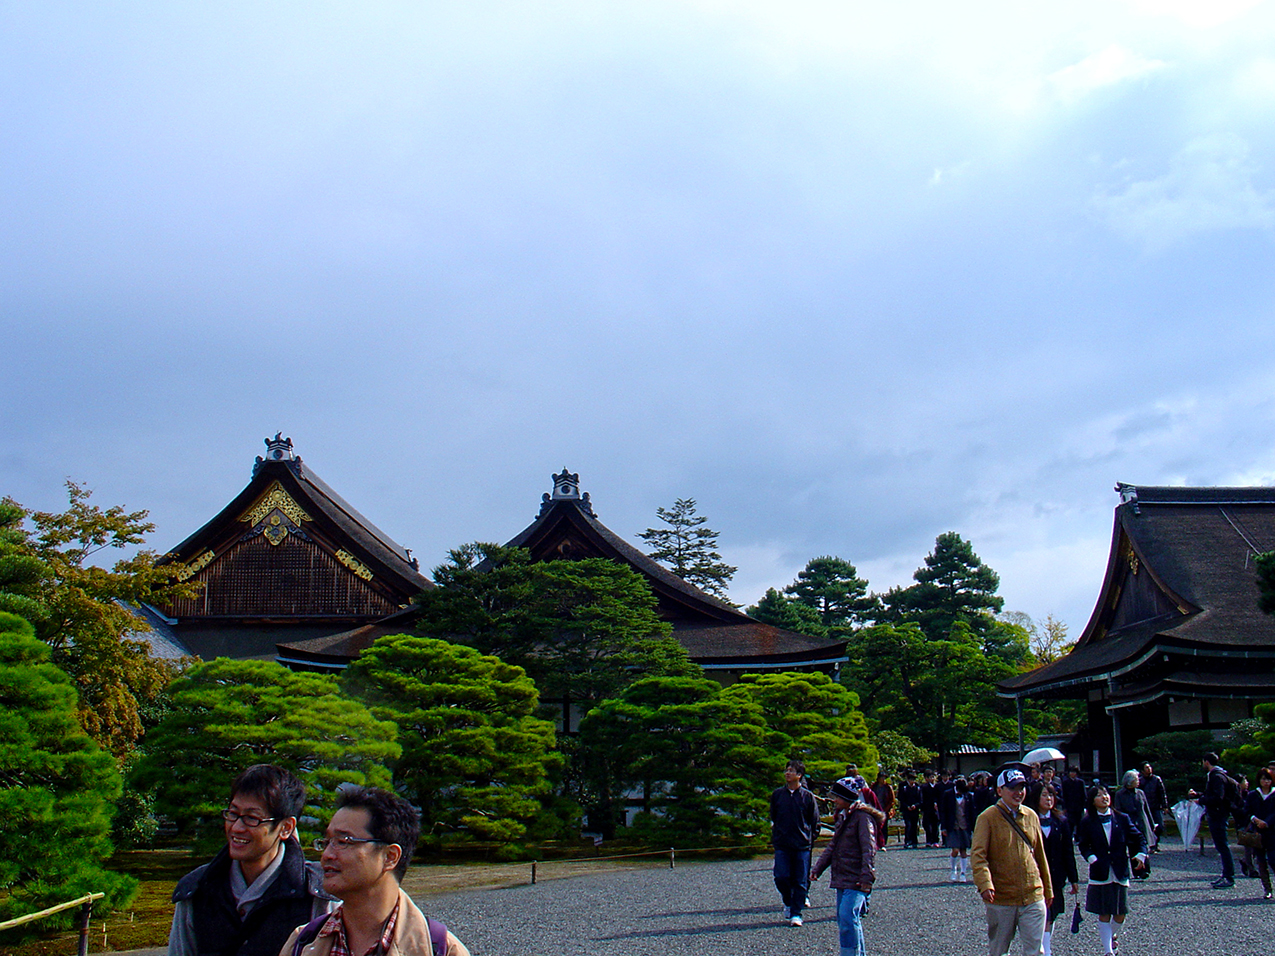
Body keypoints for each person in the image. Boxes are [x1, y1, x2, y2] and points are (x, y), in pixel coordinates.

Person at [170, 764, 336, 956]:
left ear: (286, 828)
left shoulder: (318, 893)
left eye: (252, 818)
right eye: (233, 814)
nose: (237, 828)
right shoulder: (196, 890)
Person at [283, 786, 470, 956]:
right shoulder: (302, 942)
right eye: (327, 842)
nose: (327, 855)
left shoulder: (440, 949)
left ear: (390, 857)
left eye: (343, 841)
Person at [970, 768, 1052, 956]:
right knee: (999, 950)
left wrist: (1047, 888)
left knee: (1035, 951)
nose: (1018, 792)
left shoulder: (1031, 815)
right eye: (1012, 788)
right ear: (999, 791)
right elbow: (978, 855)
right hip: (1002, 896)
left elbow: (1040, 855)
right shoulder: (987, 818)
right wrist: (985, 884)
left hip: (1033, 893)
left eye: (1022, 787)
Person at [810, 777, 885, 956]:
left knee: (847, 917)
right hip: (843, 876)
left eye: (837, 796)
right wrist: (817, 869)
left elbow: (869, 849)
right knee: (847, 919)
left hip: (857, 878)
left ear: (847, 798)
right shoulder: (845, 816)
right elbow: (833, 846)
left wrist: (867, 877)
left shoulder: (862, 818)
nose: (834, 800)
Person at [1076, 784, 1147, 956]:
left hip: (1119, 869)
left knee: (1121, 912)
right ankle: (1108, 951)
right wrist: (1092, 858)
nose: (1104, 797)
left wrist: (1141, 854)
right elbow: (1083, 844)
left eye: (1106, 794)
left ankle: (1112, 934)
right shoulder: (1087, 821)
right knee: (1104, 912)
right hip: (1100, 871)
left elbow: (1138, 837)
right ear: (1092, 801)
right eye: (1099, 795)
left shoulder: (1121, 818)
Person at [1028, 785, 1077, 956]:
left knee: (1052, 912)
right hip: (1035, 875)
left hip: (1056, 874)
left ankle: (1045, 947)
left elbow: (1068, 851)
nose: (1048, 799)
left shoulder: (1061, 820)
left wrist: (1074, 878)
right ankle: (1045, 950)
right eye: (1044, 795)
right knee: (1040, 913)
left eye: (1051, 795)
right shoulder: (1029, 819)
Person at [770, 759, 820, 926]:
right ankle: (788, 901)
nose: (787, 773)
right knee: (781, 877)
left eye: (791, 770)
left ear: (799, 775)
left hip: (802, 844)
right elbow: (774, 816)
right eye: (786, 770)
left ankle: (796, 913)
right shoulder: (777, 795)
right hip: (782, 843)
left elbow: (814, 821)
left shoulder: (807, 797)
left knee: (800, 880)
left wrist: (810, 839)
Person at [1189, 752, 1237, 888]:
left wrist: (1201, 800)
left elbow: (1217, 797)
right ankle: (1226, 874)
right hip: (1218, 813)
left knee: (1222, 846)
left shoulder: (1216, 776)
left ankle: (1229, 876)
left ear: (1206, 762)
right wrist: (1198, 795)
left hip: (1218, 814)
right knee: (1221, 846)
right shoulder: (1218, 775)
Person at [1112, 770, 1155, 879]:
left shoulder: (1140, 793)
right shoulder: (1120, 794)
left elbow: (1146, 809)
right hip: (1129, 823)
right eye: (1136, 779)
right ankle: (1137, 871)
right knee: (1132, 848)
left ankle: (1145, 869)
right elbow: (1118, 810)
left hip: (1141, 822)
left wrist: (1151, 823)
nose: (1138, 781)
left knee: (1143, 845)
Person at [1243, 768, 1275, 900]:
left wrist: (1267, 822)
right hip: (1257, 831)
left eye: (1268, 779)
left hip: (1272, 831)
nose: (1265, 782)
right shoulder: (1252, 795)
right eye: (1263, 779)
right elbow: (1246, 811)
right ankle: (1267, 889)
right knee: (1261, 861)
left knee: (1273, 859)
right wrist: (1255, 820)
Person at [940, 775, 975, 882]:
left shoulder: (969, 796)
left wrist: (974, 828)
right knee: (955, 849)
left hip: (965, 825)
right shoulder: (948, 794)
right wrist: (943, 827)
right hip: (953, 825)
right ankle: (953, 870)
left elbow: (972, 812)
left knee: (964, 850)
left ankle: (963, 873)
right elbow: (943, 811)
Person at [1138, 762, 1167, 852]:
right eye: (1146, 768)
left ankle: (1155, 842)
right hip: (1146, 808)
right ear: (1142, 771)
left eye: (1149, 767)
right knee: (1147, 827)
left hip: (1156, 807)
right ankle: (1149, 845)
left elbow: (1162, 793)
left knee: (1160, 826)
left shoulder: (1157, 779)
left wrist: (1165, 805)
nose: (1149, 769)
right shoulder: (1140, 781)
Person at [871, 771, 896, 848]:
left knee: (884, 827)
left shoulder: (888, 788)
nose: (883, 779)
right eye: (882, 778)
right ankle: (876, 842)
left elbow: (892, 800)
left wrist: (886, 809)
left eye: (884, 778)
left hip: (884, 809)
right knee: (875, 826)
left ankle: (883, 842)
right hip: (875, 808)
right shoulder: (874, 787)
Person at [1060, 767, 1087, 840]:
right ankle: (1069, 837)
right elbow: (1064, 796)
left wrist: (1084, 806)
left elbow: (1084, 795)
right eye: (1071, 772)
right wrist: (1064, 807)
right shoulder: (1065, 782)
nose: (1072, 774)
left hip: (1079, 806)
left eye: (1074, 772)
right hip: (1069, 806)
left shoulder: (1080, 782)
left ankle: (1078, 838)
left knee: (1079, 823)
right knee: (1070, 823)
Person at [899, 771, 922, 849]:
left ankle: (914, 841)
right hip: (907, 810)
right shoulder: (904, 788)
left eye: (914, 779)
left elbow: (920, 800)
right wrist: (906, 806)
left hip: (915, 810)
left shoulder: (917, 788)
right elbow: (901, 800)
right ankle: (907, 841)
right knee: (908, 825)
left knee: (914, 826)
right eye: (911, 779)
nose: (912, 781)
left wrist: (915, 806)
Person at [921, 770, 942, 848]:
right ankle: (929, 840)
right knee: (927, 825)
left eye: (933, 777)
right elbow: (922, 798)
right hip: (927, 808)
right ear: (926, 778)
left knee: (935, 825)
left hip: (935, 809)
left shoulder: (937, 786)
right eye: (930, 777)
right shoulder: (924, 787)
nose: (932, 778)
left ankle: (935, 840)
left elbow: (939, 796)